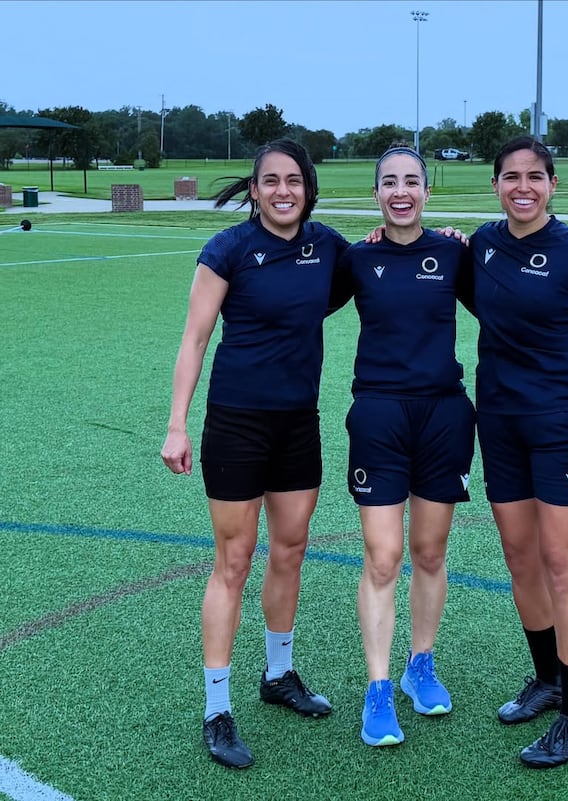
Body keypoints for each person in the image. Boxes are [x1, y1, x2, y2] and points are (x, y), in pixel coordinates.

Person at [160, 139, 350, 769]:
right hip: (237, 425)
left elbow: (386, 262)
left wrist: (451, 243)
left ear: (309, 187)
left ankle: (278, 675)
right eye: (270, 181)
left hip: (298, 424)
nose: (282, 191)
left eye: (293, 181)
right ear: (254, 188)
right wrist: (176, 425)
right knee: (234, 560)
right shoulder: (229, 250)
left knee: (290, 550)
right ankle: (217, 707)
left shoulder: (328, 248)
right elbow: (194, 339)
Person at [470, 135, 568, 768]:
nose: (523, 187)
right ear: (497, 185)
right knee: (519, 556)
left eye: (535, 176)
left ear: (553, 184)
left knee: (563, 564)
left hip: (564, 423)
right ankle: (547, 679)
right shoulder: (480, 245)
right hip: (500, 422)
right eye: (511, 177)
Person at [339, 146, 475, 747]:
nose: (401, 191)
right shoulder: (356, 258)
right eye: (389, 182)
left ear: (427, 190)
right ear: (375, 194)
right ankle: (378, 688)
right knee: (383, 555)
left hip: (444, 414)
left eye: (412, 182)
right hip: (379, 415)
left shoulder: (452, 252)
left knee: (429, 550)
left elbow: (508, 303)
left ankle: (422, 664)